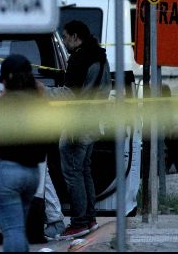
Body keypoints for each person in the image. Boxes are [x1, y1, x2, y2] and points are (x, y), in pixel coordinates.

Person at [0, 54, 50, 252]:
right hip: (32, 174)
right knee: (18, 229)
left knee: (12, 231)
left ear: (8, 79)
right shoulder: (40, 104)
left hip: (6, 172)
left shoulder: (3, 105)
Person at [58, 20, 111, 240]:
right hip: (93, 122)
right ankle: (89, 218)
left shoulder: (79, 59)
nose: (64, 40)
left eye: (66, 36)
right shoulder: (100, 55)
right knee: (84, 170)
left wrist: (42, 92)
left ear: (75, 36)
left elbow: (68, 94)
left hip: (76, 124)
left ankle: (79, 222)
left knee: (72, 173)